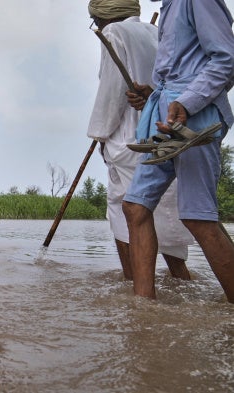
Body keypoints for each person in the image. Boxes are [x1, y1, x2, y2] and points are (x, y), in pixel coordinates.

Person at [122, 0, 234, 302]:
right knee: (135, 207)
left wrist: (187, 101)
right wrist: (154, 92)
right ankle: (143, 310)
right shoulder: (172, 5)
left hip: (196, 121)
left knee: (198, 216)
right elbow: (182, 66)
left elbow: (226, 60)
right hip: (166, 120)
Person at [86, 0, 192, 281]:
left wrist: (100, 135)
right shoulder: (153, 31)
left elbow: (111, 91)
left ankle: (132, 282)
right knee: (167, 210)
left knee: (124, 210)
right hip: (162, 131)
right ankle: (181, 279)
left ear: (100, 19)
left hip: (128, 137)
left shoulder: (113, 33)